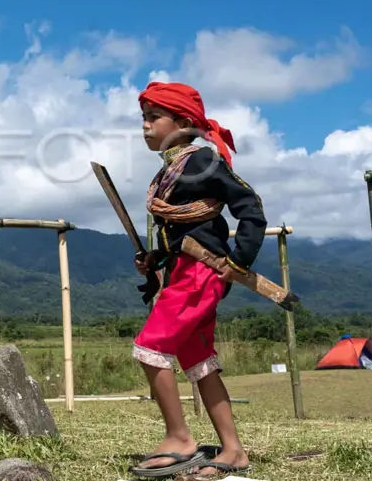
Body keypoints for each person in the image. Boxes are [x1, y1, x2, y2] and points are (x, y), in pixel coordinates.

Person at [127, 80, 266, 479]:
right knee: (199, 362)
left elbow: (250, 209)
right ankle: (234, 450)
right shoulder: (172, 169)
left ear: (183, 122)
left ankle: (180, 438)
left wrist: (238, 260)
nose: (146, 126)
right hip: (182, 271)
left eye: (154, 117)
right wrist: (155, 259)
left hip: (201, 274)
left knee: (149, 348)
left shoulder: (203, 162)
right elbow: (186, 232)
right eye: (144, 118)